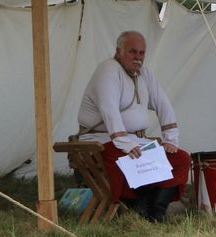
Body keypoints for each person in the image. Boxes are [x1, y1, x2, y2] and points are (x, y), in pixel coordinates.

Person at [77, 30, 191, 222]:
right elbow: (108, 109)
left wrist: (171, 139)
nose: (137, 57)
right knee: (129, 160)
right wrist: (125, 143)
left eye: (141, 53)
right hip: (102, 139)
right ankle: (137, 206)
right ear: (118, 51)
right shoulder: (108, 70)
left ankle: (155, 214)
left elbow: (162, 103)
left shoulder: (144, 74)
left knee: (180, 158)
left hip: (136, 140)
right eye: (132, 52)